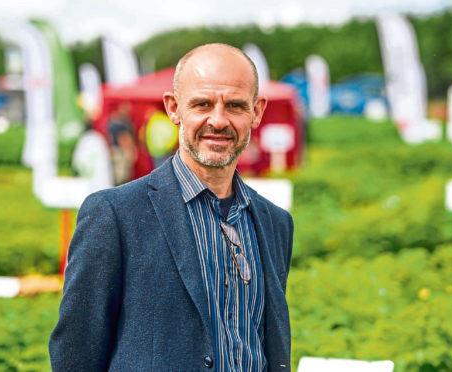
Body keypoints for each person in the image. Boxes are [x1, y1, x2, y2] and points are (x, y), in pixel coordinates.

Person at [49, 43, 293, 371]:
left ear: (257, 111)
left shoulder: (275, 223)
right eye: (202, 104)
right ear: (174, 108)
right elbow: (75, 354)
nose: (218, 121)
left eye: (235, 105)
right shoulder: (115, 215)